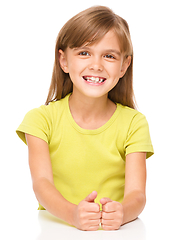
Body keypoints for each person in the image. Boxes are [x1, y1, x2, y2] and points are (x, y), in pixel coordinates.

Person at [16, 6, 154, 231]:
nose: (96, 65)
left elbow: (137, 195)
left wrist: (122, 213)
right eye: (84, 53)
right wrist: (72, 214)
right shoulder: (40, 120)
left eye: (109, 56)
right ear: (64, 61)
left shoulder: (134, 123)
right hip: (55, 230)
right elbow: (41, 185)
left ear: (124, 66)